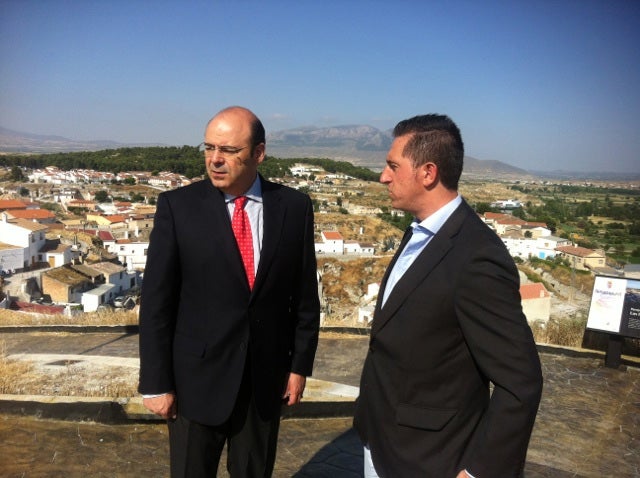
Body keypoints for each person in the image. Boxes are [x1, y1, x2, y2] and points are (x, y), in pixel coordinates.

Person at [353, 114, 543, 477]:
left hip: (430, 458)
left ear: (428, 173)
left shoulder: (477, 257)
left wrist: (479, 471)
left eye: (393, 166)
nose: (383, 176)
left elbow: (520, 381)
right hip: (382, 440)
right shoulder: (420, 233)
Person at [138, 106, 320, 477]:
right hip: (194, 383)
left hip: (264, 384)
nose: (215, 159)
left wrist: (299, 366)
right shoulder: (178, 207)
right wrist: (156, 384)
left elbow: (304, 299)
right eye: (209, 148)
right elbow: (157, 303)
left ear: (259, 153)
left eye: (229, 150)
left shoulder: (294, 208)